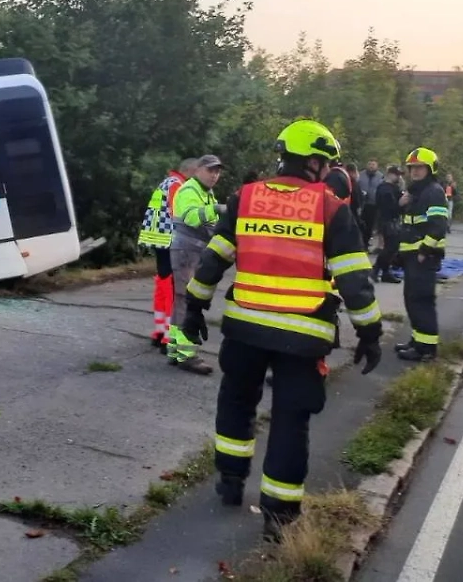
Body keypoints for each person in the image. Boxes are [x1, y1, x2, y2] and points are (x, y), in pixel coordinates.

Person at [184, 119, 382, 542]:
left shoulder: (245, 197)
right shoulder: (331, 208)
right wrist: (370, 332)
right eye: (325, 162)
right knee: (291, 421)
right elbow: (354, 280)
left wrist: (195, 308)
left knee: (236, 402)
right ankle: (278, 518)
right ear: (313, 161)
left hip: (245, 330)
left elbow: (214, 258)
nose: (328, 170)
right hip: (302, 336)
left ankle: (230, 482)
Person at [167, 154, 226, 375]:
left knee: (181, 301)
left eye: (218, 171)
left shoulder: (204, 192)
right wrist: (219, 209)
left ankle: (175, 350)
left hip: (191, 252)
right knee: (187, 302)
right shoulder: (190, 190)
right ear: (198, 169)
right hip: (186, 252)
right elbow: (193, 218)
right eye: (211, 170)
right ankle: (186, 355)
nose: (214, 175)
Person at [137, 158, 199, 351]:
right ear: (190, 171)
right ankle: (168, 338)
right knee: (173, 288)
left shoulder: (167, 182)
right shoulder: (178, 186)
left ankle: (159, 332)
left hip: (157, 239)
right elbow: (177, 213)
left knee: (162, 283)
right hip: (169, 240)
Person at [395, 148, 449, 362]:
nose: (415, 172)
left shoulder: (433, 191)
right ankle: (417, 341)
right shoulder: (416, 192)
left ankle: (426, 349)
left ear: (430, 169)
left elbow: (438, 226)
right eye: (412, 168)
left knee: (421, 301)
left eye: (419, 168)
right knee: (412, 300)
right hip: (412, 257)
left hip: (423, 257)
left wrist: (424, 251)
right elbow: (409, 225)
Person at [373, 167, 403, 283]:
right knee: (390, 247)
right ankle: (376, 269)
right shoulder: (384, 189)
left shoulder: (394, 188)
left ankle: (385, 272)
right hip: (387, 221)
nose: (399, 177)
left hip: (393, 220)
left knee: (393, 247)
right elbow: (389, 207)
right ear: (390, 175)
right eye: (397, 175)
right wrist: (400, 204)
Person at [358, 161, 384, 246]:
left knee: (370, 225)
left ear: (377, 166)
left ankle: (366, 242)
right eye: (369, 164)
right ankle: (360, 242)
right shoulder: (360, 175)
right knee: (360, 223)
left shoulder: (381, 177)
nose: (371, 166)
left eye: (373, 164)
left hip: (374, 204)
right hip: (362, 204)